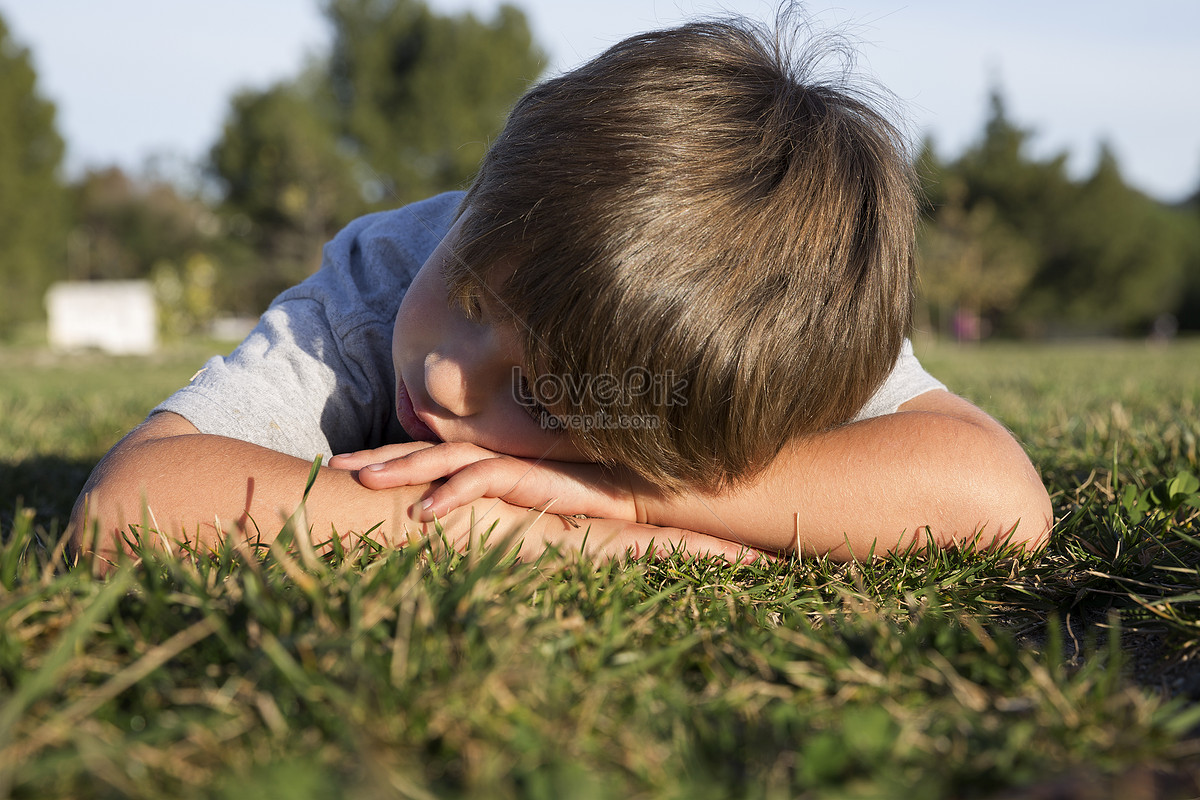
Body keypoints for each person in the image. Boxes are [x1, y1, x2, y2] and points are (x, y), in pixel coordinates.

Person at [68, 14, 1052, 571]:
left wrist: (625, 496)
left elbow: (997, 500)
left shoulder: (759, 317)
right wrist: (526, 532)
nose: (449, 380)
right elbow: (127, 506)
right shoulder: (390, 268)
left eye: (544, 396)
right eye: (472, 293)